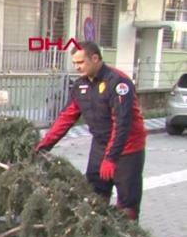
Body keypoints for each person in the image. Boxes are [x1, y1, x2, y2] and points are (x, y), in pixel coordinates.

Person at [35, 41, 146, 220]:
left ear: (95, 58)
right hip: (100, 146)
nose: (77, 67)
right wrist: (44, 144)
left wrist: (111, 158)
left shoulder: (118, 82)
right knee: (94, 197)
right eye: (75, 63)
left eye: (80, 62)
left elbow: (122, 123)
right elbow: (67, 116)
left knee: (127, 205)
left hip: (127, 150)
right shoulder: (80, 86)